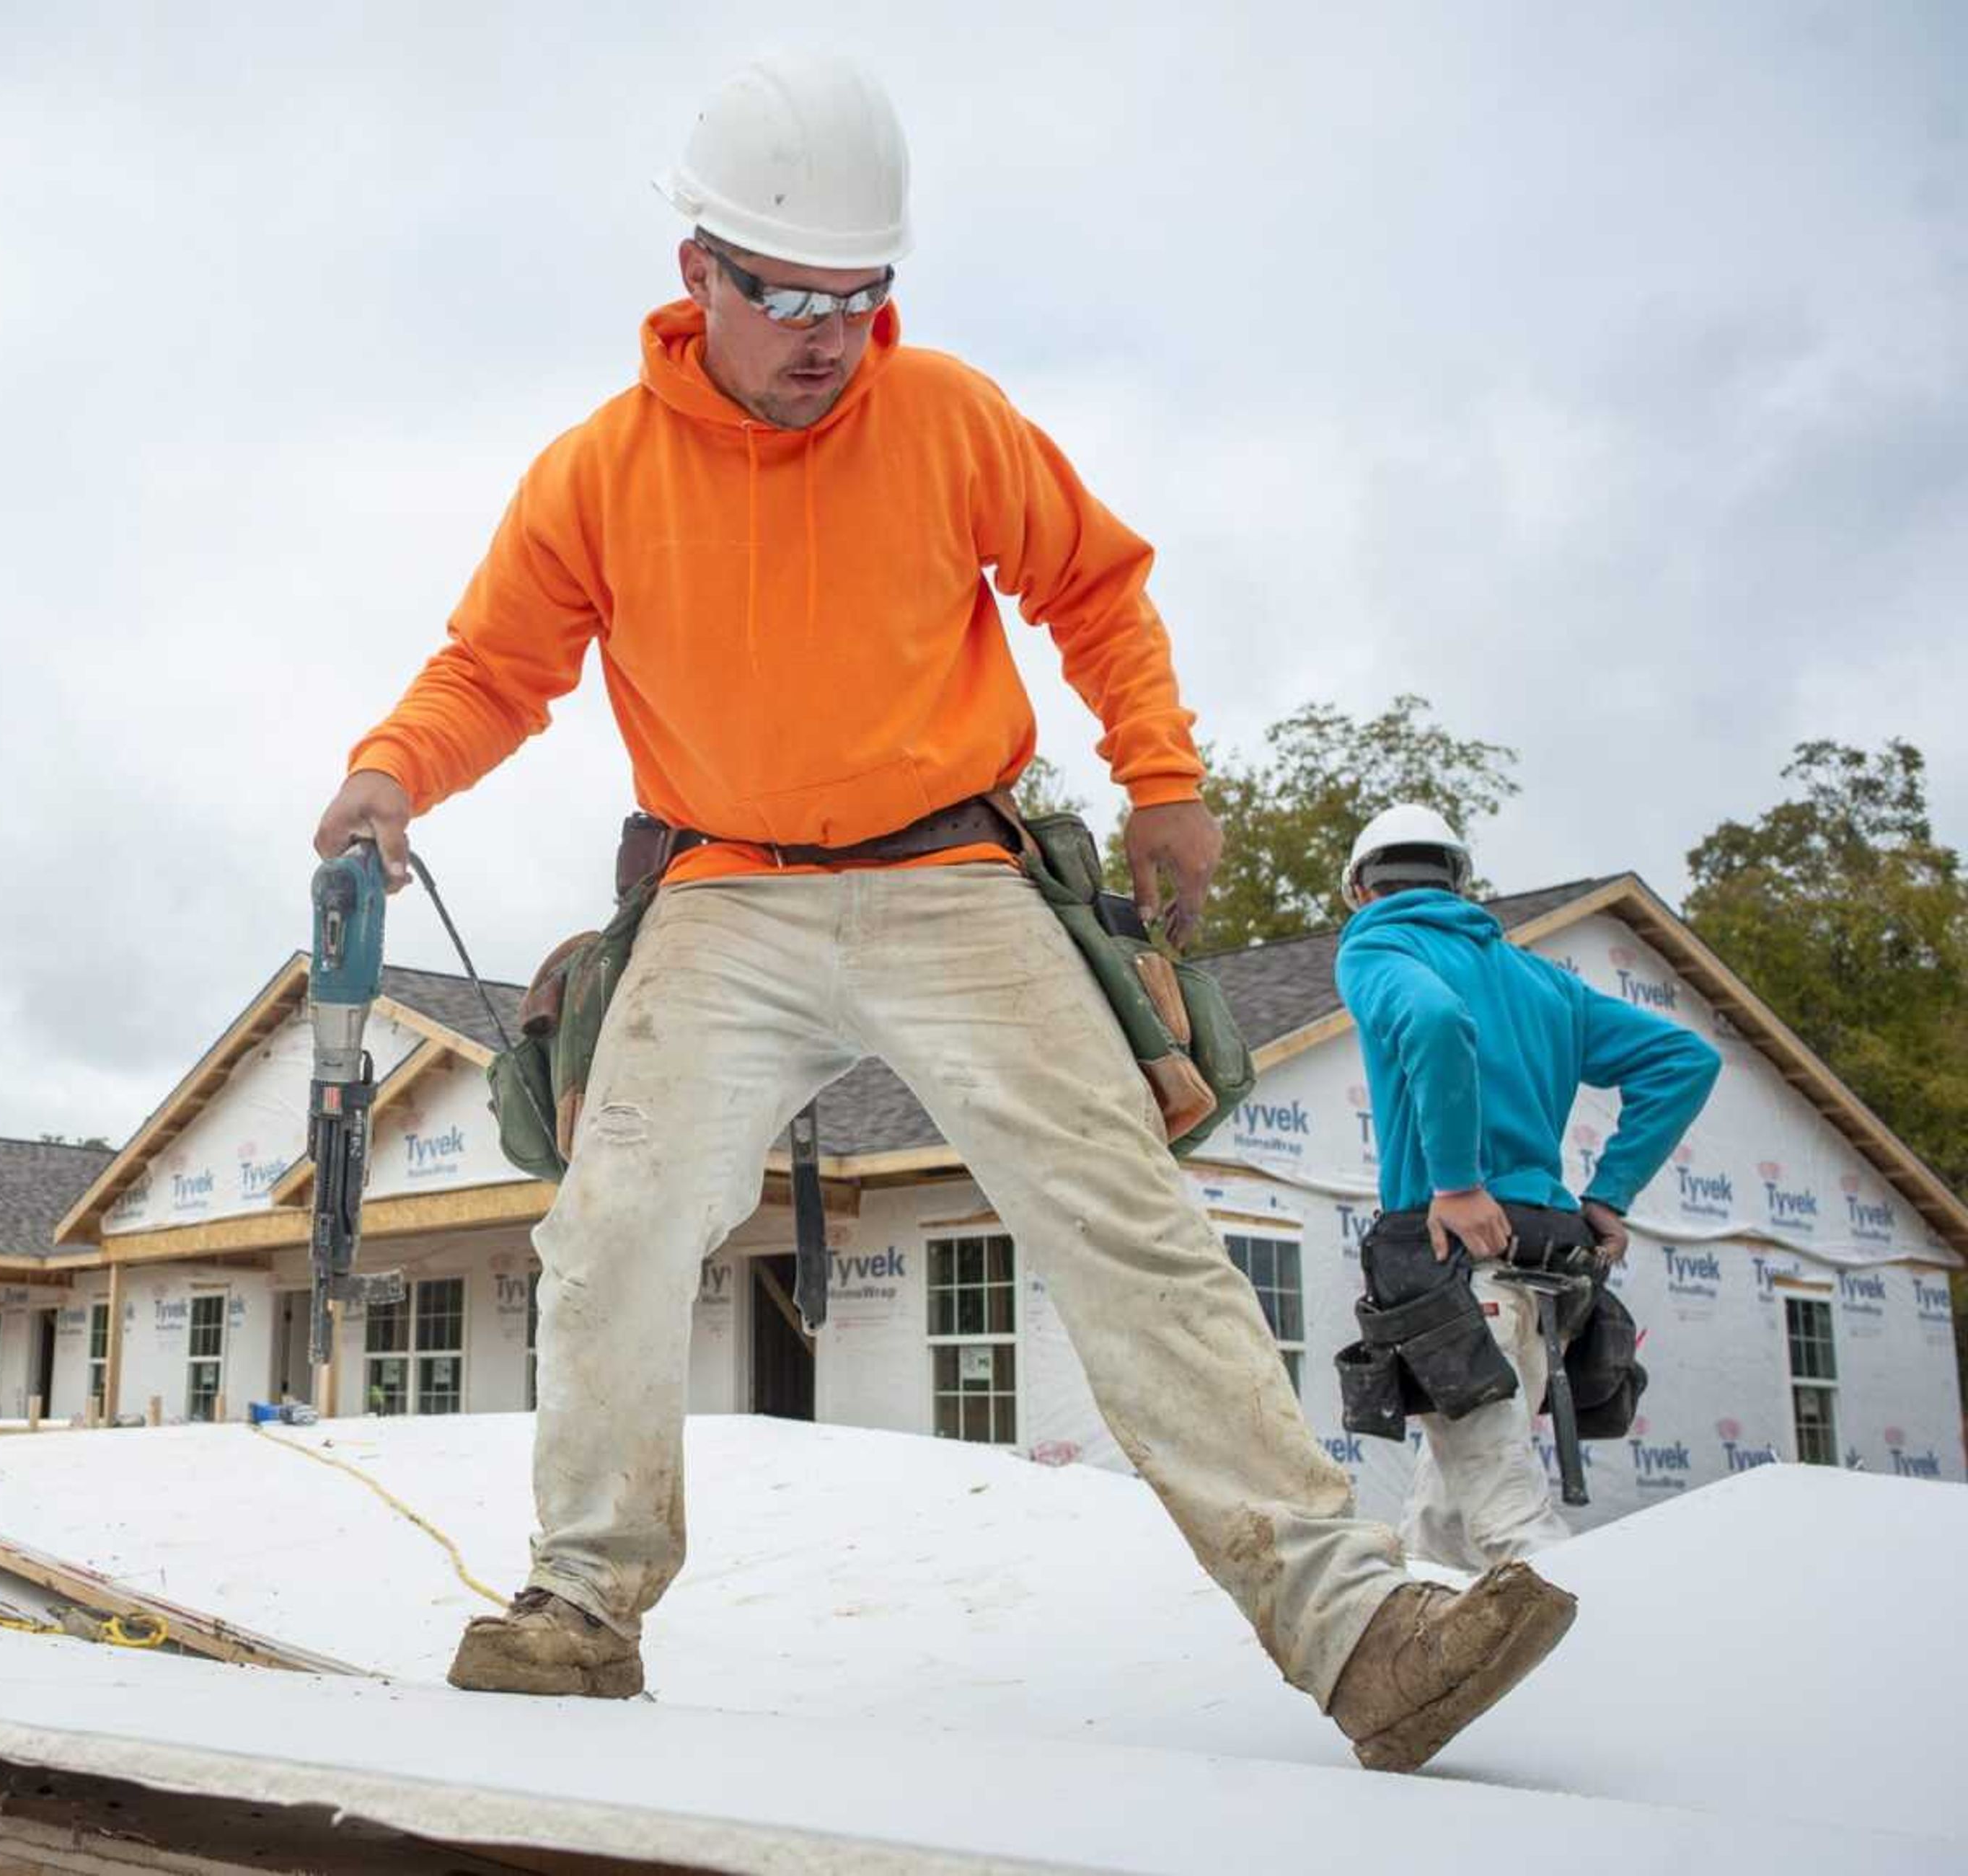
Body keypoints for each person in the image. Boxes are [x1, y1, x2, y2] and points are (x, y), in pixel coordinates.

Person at [312, 52, 1574, 1772]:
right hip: (721, 887)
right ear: (696, 274)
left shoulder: (950, 417)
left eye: (861, 293)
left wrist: (1163, 771)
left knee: (1126, 1213)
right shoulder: (598, 474)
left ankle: (1362, 1630)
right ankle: (581, 1610)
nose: (828, 331)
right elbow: (492, 667)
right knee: (608, 1228)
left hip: (952, 872)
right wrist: (392, 770)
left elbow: (1096, 584)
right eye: (786, 296)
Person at [1335, 805, 1719, 1569]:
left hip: (1455, 1263)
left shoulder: (1377, 944)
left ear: (1358, 886)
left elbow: (1437, 1020)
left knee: (1505, 1504)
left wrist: (1456, 1182)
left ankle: (1584, 1659)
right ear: (1462, 883)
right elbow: (1685, 1059)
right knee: (1450, 1506)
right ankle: (1426, 1641)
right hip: (1545, 1272)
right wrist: (1610, 1194)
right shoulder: (1542, 980)